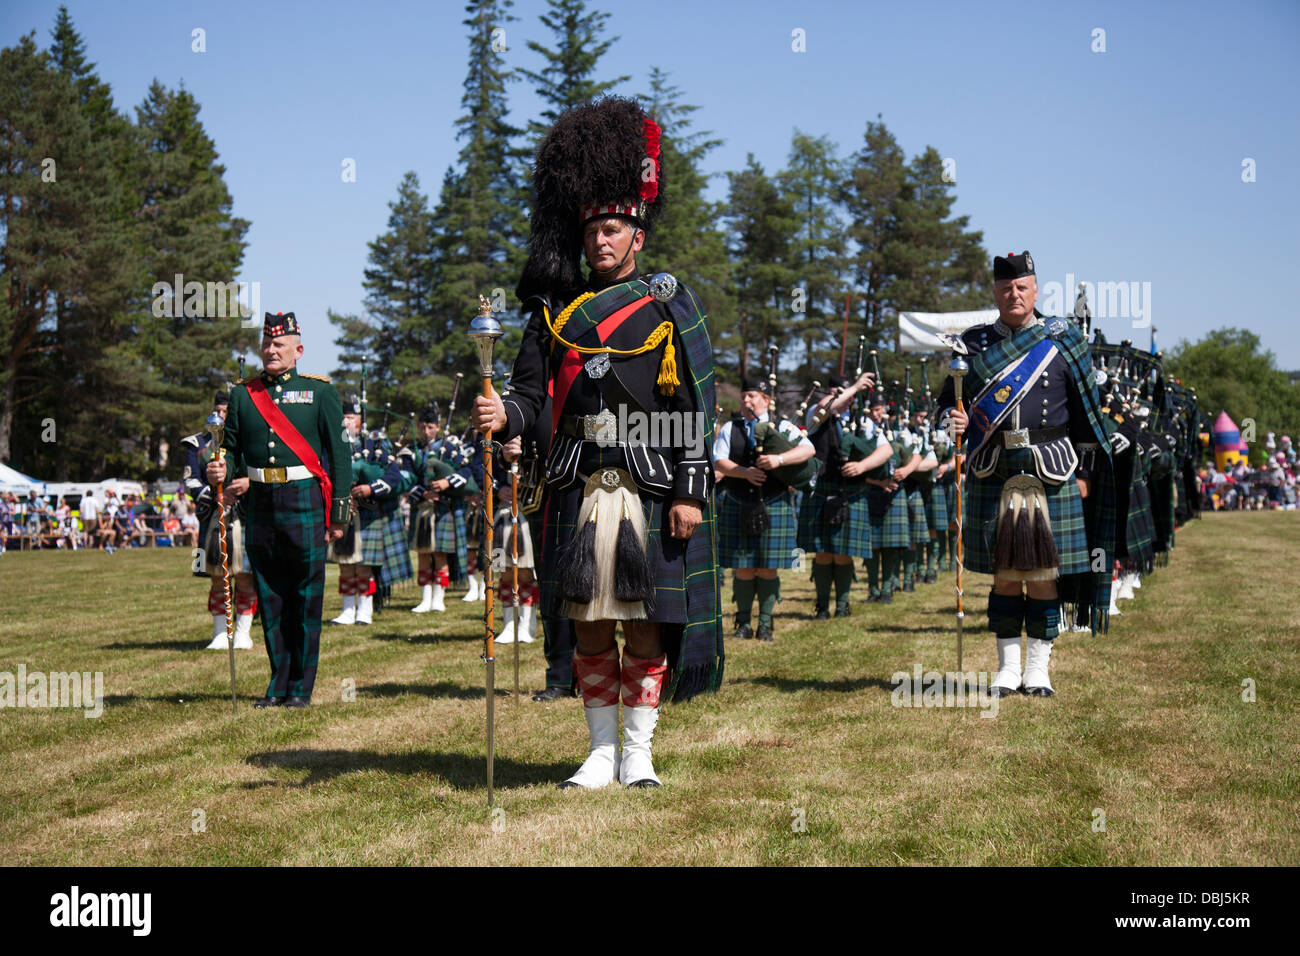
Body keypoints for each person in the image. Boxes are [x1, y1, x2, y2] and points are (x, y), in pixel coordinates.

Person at [472, 97, 723, 788]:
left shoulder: (671, 303)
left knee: (642, 625)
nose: (601, 242)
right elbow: (528, 397)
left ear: (637, 234)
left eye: (613, 229)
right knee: (587, 624)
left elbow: (697, 409)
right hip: (577, 483)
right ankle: (600, 752)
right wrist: (504, 416)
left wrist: (690, 491)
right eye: (593, 233)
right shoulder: (553, 313)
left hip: (650, 483)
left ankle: (639, 753)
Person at [937, 251, 1115, 698]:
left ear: (1035, 291)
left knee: (1042, 575)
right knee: (1004, 574)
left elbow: (1087, 418)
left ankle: (1038, 670)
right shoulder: (973, 346)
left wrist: (1087, 472)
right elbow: (945, 405)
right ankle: (1006, 670)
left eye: (1021, 288)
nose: (1012, 295)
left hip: (1051, 469)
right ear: (995, 293)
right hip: (994, 467)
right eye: (1004, 288)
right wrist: (951, 423)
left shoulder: (1062, 340)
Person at [206, 311, 352, 707]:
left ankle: (301, 689)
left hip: (304, 498)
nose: (271, 351)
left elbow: (340, 455)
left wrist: (338, 514)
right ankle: (278, 684)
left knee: (304, 596)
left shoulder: (320, 392)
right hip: (261, 505)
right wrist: (220, 466)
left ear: (298, 350)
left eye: (279, 345)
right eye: (267, 345)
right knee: (269, 595)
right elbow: (231, 449)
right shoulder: (242, 394)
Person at [714, 379, 815, 640]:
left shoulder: (783, 426)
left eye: (751, 396)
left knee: (769, 567)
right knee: (744, 567)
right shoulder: (731, 427)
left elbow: (808, 449)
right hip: (739, 502)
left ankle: (766, 624)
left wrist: (779, 459)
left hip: (774, 503)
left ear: (766, 400)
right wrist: (744, 472)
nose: (745, 401)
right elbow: (719, 460)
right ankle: (744, 624)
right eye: (743, 397)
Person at [798, 374, 888, 619]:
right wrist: (855, 386)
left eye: (845, 393)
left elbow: (885, 449)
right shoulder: (816, 416)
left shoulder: (862, 421)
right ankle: (823, 606)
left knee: (843, 552)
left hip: (851, 492)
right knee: (823, 552)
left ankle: (842, 605)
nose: (841, 397)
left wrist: (863, 466)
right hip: (821, 490)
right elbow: (828, 406)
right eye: (836, 392)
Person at [328, 394, 413, 625]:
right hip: (345, 513)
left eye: (351, 417)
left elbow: (393, 476)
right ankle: (347, 610)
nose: (346, 422)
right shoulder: (334, 443)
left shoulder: (375, 443)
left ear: (360, 421)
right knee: (346, 564)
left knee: (364, 565)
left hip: (369, 513)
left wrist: (369, 489)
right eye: (343, 417)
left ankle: (364, 610)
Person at [404, 405, 479, 614]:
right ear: (418, 427)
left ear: (438, 426)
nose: (426, 431)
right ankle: (424, 599)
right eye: (423, 427)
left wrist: (447, 483)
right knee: (422, 554)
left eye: (430, 427)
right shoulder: (413, 450)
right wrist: (422, 492)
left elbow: (466, 470)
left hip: (445, 509)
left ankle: (439, 598)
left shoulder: (451, 447)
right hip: (423, 508)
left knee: (440, 554)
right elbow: (407, 477)